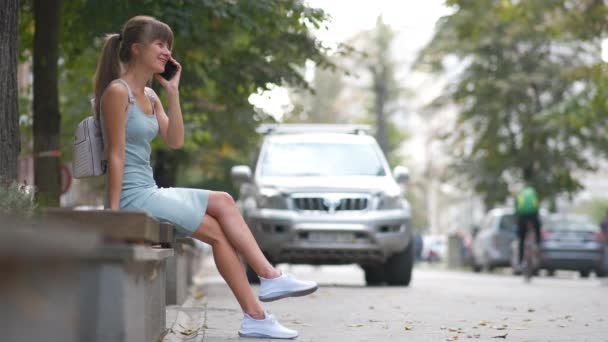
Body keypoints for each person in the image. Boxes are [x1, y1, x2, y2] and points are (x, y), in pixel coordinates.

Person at [94, 15, 317, 339]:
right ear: (136, 48)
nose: (167, 52)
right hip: (132, 196)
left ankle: (256, 316)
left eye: (169, 45)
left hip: (149, 190)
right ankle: (269, 277)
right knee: (224, 201)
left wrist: (172, 92)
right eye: (160, 44)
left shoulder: (152, 97)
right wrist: (113, 214)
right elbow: (115, 153)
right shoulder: (118, 92)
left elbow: (176, 141)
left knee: (218, 232)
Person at [514, 185, 541, 267]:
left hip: (522, 217)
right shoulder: (533, 193)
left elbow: (516, 207)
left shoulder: (520, 194)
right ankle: (537, 242)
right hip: (533, 216)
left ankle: (520, 260)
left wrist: (516, 216)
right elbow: (537, 205)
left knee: (521, 239)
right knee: (537, 228)